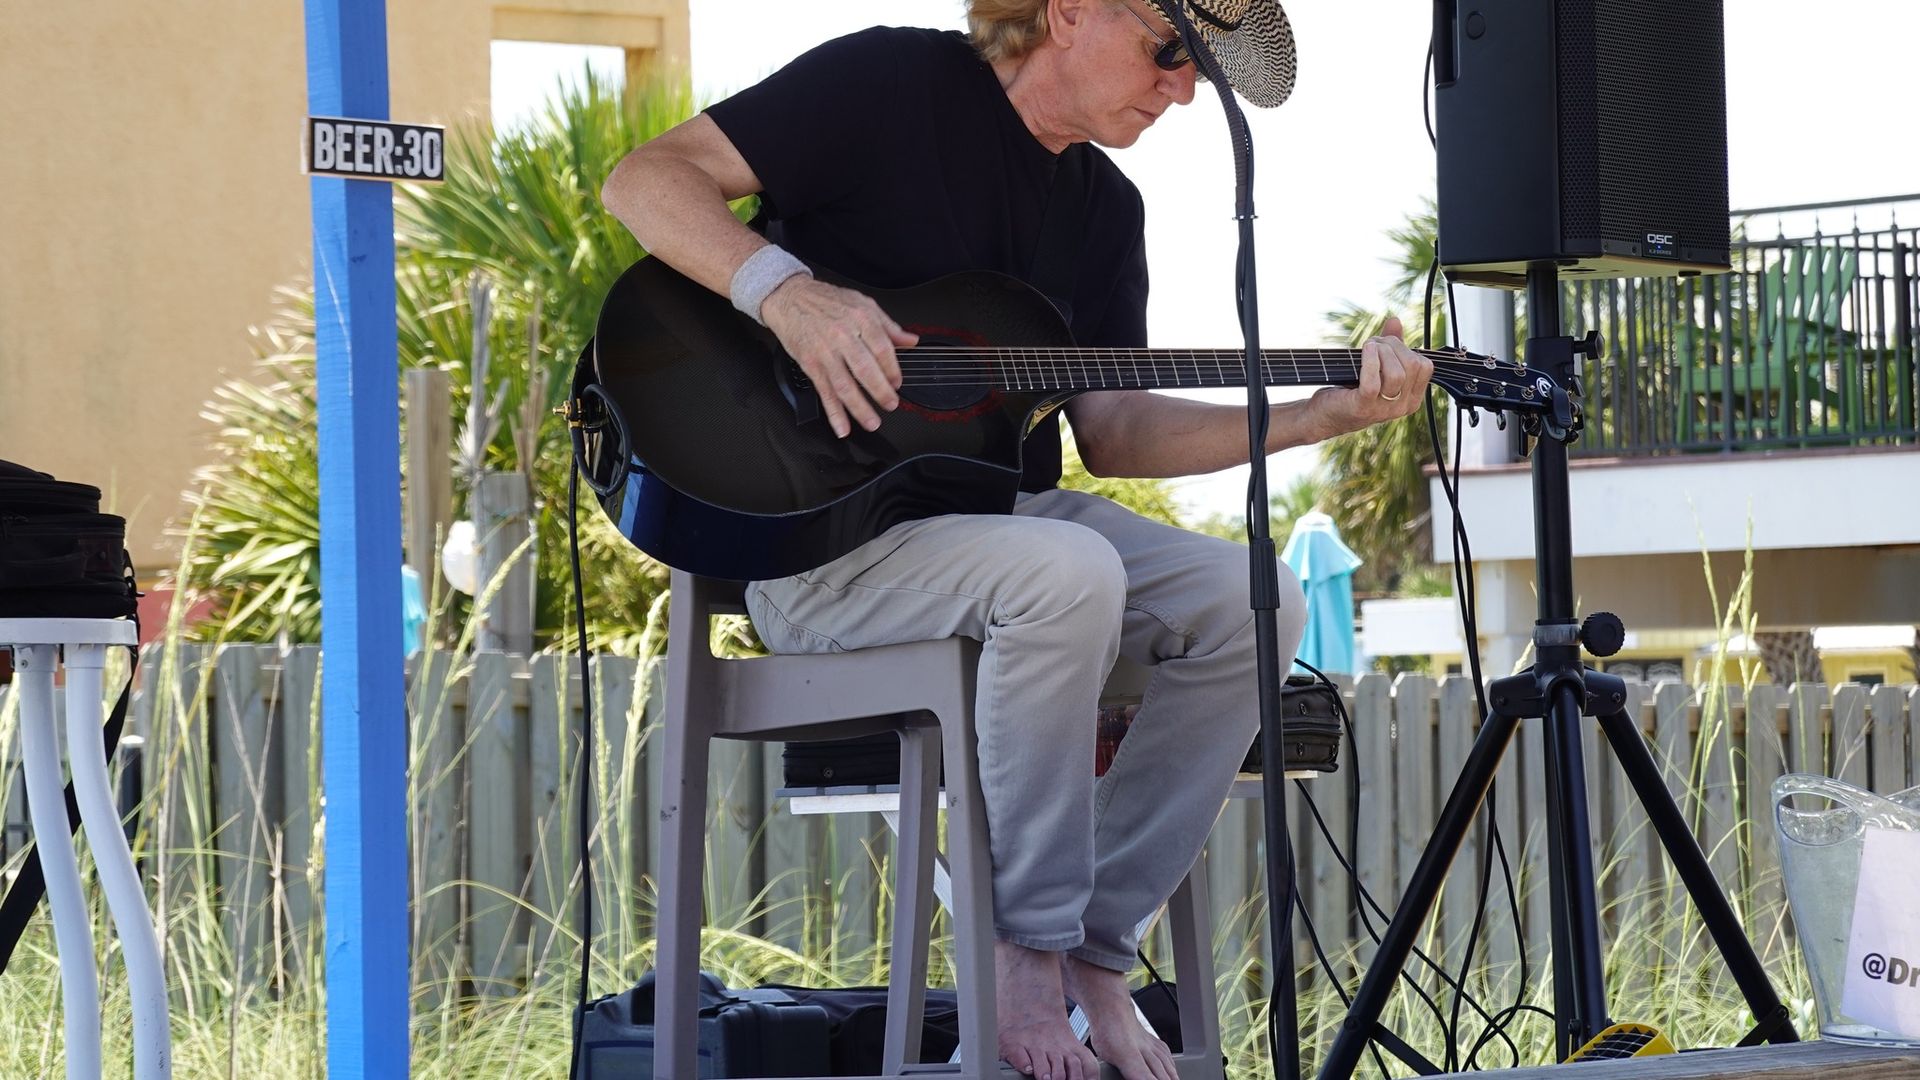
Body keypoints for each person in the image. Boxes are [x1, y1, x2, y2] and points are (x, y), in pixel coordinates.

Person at [601, 2, 1433, 1078]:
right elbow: (643, 179)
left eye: (1200, 72)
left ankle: (1093, 950)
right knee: (1065, 570)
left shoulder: (1101, 209)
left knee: (1258, 597)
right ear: (1068, 11)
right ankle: (1020, 964)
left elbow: (1114, 432)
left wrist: (1318, 418)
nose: (1183, 89)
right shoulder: (890, 84)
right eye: (1170, 50)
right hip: (823, 551)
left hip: (1005, 530)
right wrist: (788, 296)